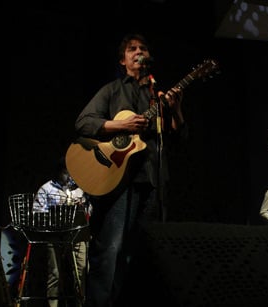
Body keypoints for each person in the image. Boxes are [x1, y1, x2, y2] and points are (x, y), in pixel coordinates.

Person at [72, 33, 187, 307]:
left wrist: (177, 110)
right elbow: (83, 123)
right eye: (132, 49)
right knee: (110, 249)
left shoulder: (157, 95)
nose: (139, 52)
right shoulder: (112, 90)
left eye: (143, 48)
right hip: (118, 180)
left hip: (153, 179)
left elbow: (179, 138)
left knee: (145, 252)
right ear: (123, 60)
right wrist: (121, 126)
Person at [33, 157, 90, 307]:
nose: (70, 177)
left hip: (76, 235)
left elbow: (90, 212)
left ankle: (81, 303)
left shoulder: (80, 189)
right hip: (55, 235)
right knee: (55, 274)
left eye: (72, 174)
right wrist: (57, 210)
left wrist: (82, 207)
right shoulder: (46, 189)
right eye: (66, 173)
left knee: (82, 271)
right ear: (59, 173)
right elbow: (37, 214)